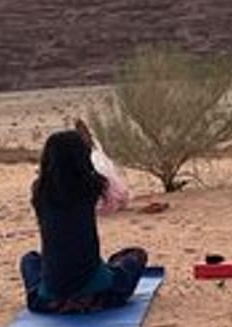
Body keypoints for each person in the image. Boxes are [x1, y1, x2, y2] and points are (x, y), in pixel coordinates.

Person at [20, 130, 149, 313]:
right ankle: (106, 272)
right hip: (99, 293)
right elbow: (110, 187)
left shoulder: (40, 192)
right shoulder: (90, 187)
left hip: (50, 298)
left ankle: (66, 297)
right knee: (136, 255)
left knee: (29, 260)